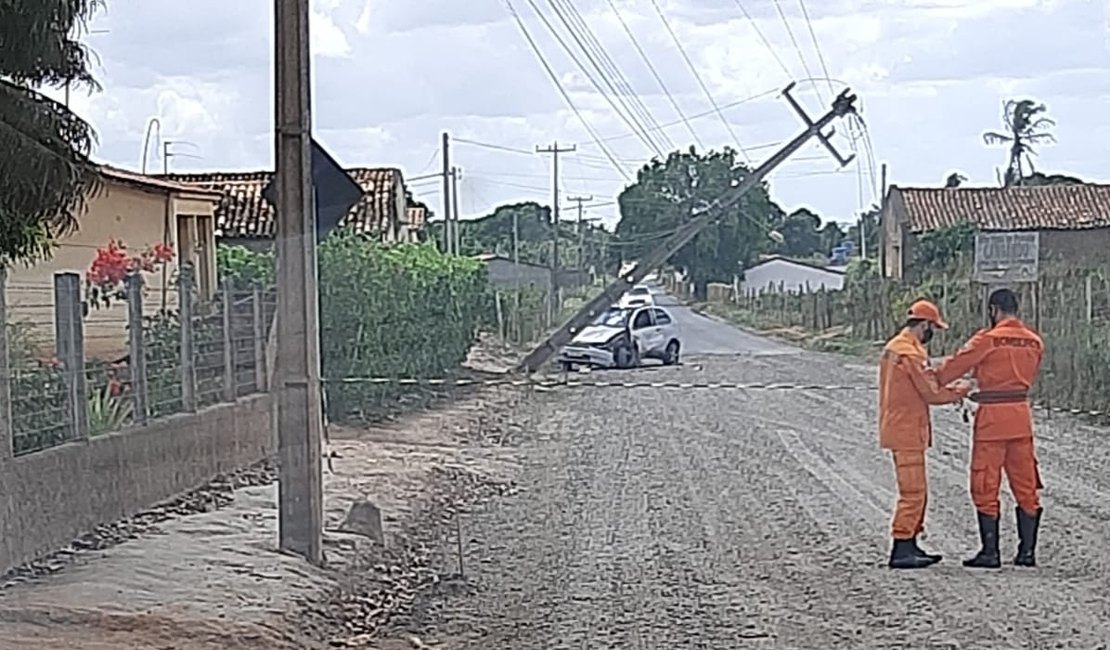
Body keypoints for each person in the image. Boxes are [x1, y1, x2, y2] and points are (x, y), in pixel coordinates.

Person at [935, 288, 1044, 569]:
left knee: (985, 483)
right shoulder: (1034, 342)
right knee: (1026, 484)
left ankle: (990, 552)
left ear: (994, 310)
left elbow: (954, 367)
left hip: (992, 419)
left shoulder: (988, 339)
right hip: (1020, 417)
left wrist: (935, 379)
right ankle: (1027, 553)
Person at [879, 299, 970, 569]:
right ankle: (902, 547)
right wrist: (963, 389)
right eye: (933, 327)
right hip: (907, 429)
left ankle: (910, 543)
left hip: (900, 425)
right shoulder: (911, 353)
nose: (933, 333)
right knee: (913, 492)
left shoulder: (896, 347)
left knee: (916, 491)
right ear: (925, 324)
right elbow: (930, 393)